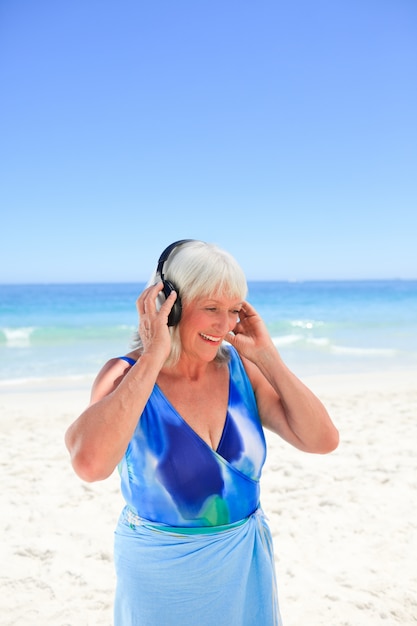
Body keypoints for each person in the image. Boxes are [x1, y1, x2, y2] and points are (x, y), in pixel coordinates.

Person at [65, 239, 339, 626]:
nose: (224, 324)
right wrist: (154, 356)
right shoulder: (125, 376)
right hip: (163, 580)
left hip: (244, 570)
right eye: (211, 308)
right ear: (169, 306)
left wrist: (267, 356)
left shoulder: (242, 373)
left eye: (232, 311)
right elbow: (89, 465)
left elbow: (322, 439)